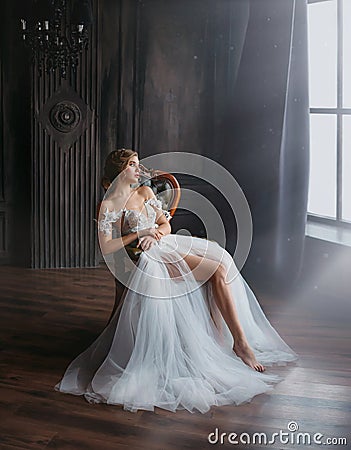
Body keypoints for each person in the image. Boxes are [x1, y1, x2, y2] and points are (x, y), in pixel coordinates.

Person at [55, 148, 297, 413]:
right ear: (120, 171)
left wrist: (155, 233)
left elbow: (166, 225)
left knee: (221, 261)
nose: (138, 169)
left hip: (163, 244)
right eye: (133, 165)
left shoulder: (145, 193)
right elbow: (107, 246)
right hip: (141, 256)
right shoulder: (109, 204)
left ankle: (226, 339)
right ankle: (238, 343)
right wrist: (139, 234)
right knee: (215, 271)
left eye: (138, 164)